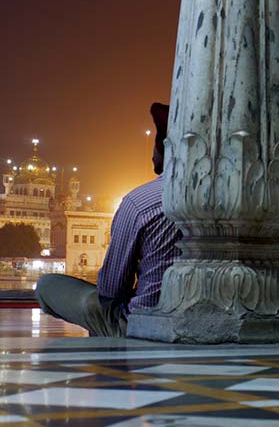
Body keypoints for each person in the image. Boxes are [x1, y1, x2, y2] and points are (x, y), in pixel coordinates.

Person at [35, 103, 182, 337]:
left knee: (47, 286)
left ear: (164, 148)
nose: (151, 154)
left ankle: (106, 352)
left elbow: (111, 290)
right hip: (216, 321)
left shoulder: (140, 203)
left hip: (145, 325)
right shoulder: (235, 198)